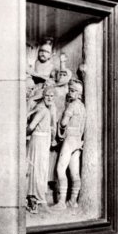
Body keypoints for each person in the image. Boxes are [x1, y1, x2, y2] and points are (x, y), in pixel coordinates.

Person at [53, 80, 86, 210]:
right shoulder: (82, 107)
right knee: (74, 173)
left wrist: (59, 122)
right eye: (70, 90)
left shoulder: (72, 106)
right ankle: (73, 201)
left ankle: (61, 202)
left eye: (73, 90)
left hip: (70, 139)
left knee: (60, 170)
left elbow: (63, 123)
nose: (70, 92)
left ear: (78, 93)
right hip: (78, 141)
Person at [26, 85, 57, 213]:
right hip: (38, 141)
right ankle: (38, 199)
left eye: (51, 96)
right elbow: (31, 126)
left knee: (40, 169)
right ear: (43, 96)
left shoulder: (46, 108)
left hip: (42, 141)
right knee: (38, 169)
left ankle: (36, 199)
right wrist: (25, 134)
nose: (49, 98)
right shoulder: (43, 110)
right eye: (47, 95)